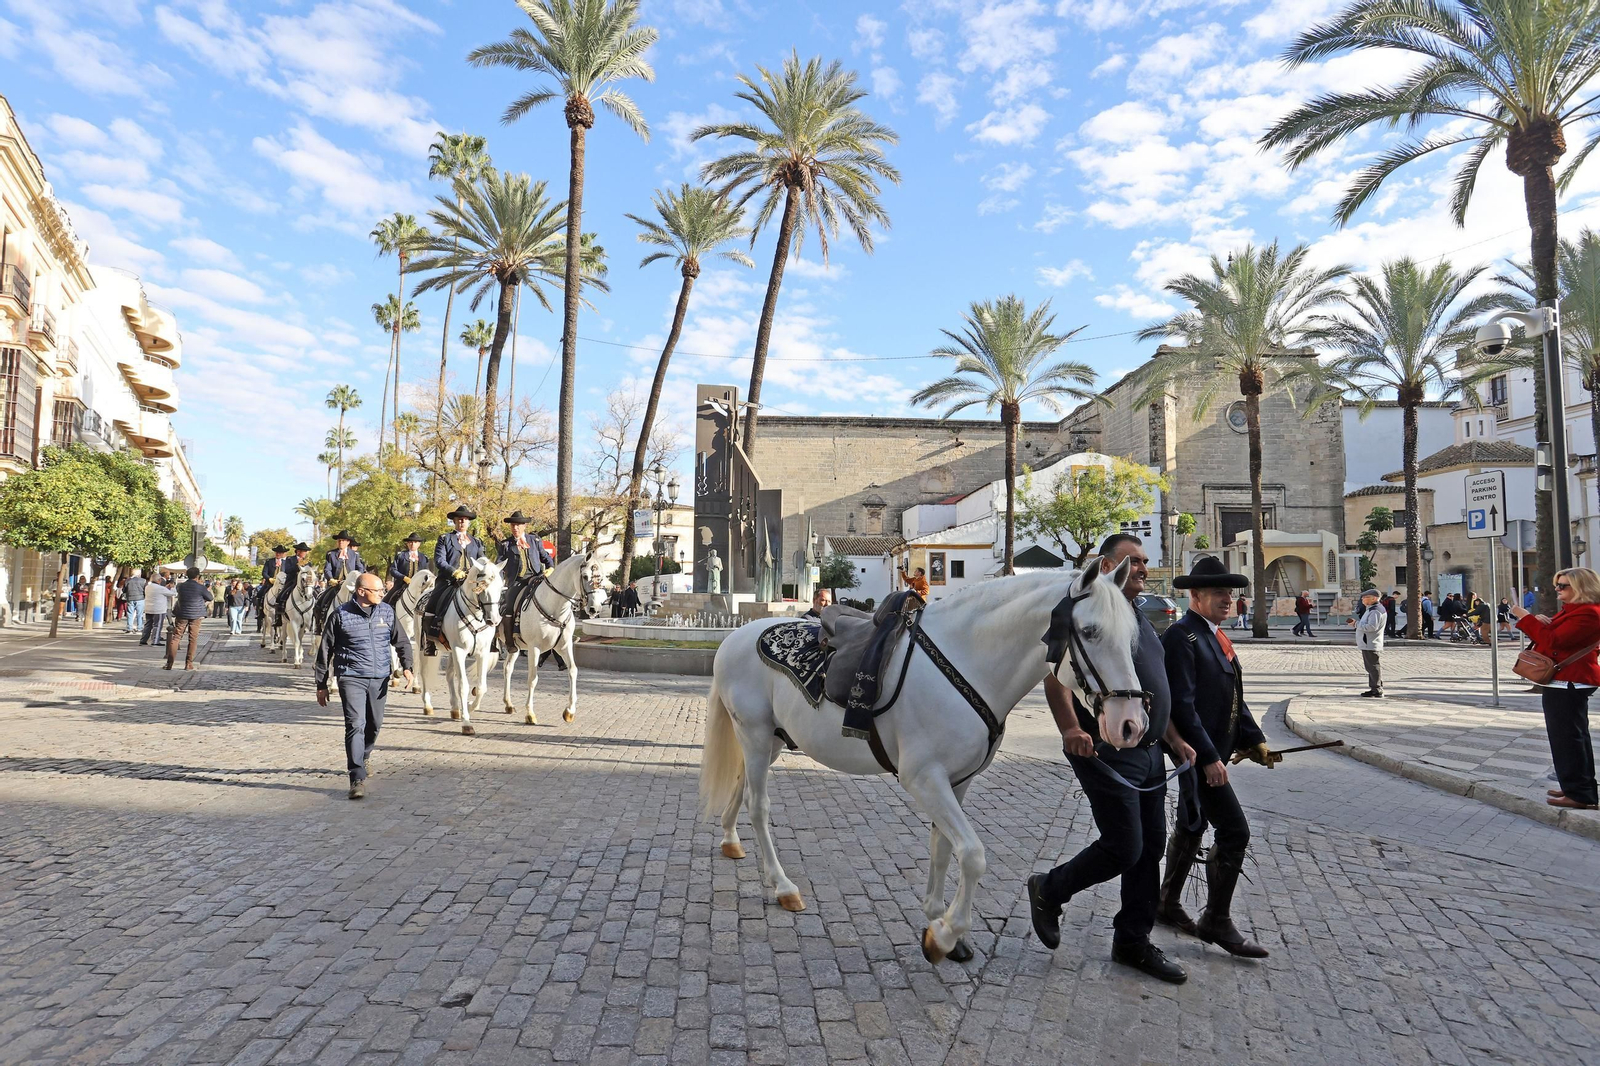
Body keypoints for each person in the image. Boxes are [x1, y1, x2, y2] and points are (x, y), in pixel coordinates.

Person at [1027, 533, 1195, 985]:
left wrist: (1174, 738)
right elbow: (1055, 678)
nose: (1142, 567)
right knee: (1125, 846)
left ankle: (1132, 942)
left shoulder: (1137, 616)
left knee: (1150, 849)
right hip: (1104, 748)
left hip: (1149, 749)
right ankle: (1049, 888)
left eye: (1143, 561)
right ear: (1108, 566)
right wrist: (1070, 729)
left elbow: (1152, 689)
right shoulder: (1084, 611)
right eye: (1133, 561)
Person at [1158, 555, 1279, 959]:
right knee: (1235, 831)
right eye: (1218, 593)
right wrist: (1210, 758)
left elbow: (1233, 699)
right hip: (1196, 756)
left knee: (1192, 825)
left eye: (1230, 593)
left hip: (1213, 754)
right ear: (1195, 595)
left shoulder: (1215, 636)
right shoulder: (1182, 637)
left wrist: (1255, 740)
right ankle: (1217, 919)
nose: (1228, 600)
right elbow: (1182, 707)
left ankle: (1167, 901)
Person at [314, 572, 414, 800]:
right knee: (355, 724)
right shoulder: (340, 615)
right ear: (361, 592)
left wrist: (407, 666)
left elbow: (401, 641)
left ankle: (365, 752)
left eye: (382, 590)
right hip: (351, 676)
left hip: (379, 677)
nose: (383, 593)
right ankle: (356, 776)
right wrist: (321, 683)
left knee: (374, 724)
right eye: (378, 590)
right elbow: (325, 651)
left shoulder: (387, 611)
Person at [1511, 569, 1600, 810]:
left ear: (1582, 587)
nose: (1558, 589)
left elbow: (1554, 642)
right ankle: (1575, 786)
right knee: (1571, 737)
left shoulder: (1589, 613)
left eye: (1564, 586)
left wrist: (1525, 617)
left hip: (1570, 681)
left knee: (1568, 738)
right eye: (1557, 585)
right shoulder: (1574, 611)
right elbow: (1554, 636)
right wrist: (1539, 621)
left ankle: (1580, 794)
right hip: (1564, 681)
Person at [425, 506, 486, 653]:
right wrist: (454, 571)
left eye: (464, 520)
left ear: (468, 522)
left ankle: (491, 638)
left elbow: (482, 560)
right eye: (459, 519)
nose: (462, 522)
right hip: (449, 581)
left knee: (489, 602)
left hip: (471, 582)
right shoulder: (445, 538)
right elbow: (440, 560)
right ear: (454, 521)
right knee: (432, 603)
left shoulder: (476, 541)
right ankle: (430, 640)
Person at [495, 511, 553, 642]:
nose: (515, 528)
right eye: (512, 525)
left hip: (537, 579)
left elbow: (546, 557)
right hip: (517, 581)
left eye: (518, 525)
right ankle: (510, 639)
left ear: (524, 526)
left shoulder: (535, 540)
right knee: (509, 603)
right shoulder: (506, 545)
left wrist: (550, 568)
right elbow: (499, 564)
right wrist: (499, 580)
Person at [165, 566, 212, 670]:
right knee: (193, 639)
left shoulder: (180, 586)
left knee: (176, 637)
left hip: (182, 614)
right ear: (197, 576)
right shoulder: (200, 587)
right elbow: (210, 597)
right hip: (196, 615)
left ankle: (169, 663)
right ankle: (188, 664)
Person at [1348, 587, 1385, 697]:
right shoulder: (1372, 609)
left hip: (1370, 642)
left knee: (1373, 666)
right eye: (1363, 598)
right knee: (1371, 667)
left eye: (1365, 597)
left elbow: (1372, 627)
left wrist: (1355, 624)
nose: (1363, 600)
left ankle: (1377, 689)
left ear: (1374, 598)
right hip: (1368, 642)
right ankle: (1375, 687)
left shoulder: (1375, 611)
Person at [385, 532, 432, 606]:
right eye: (410, 542)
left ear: (419, 544)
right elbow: (393, 570)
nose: (413, 544)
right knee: (387, 600)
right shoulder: (400, 555)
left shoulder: (424, 557)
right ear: (407, 543)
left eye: (415, 542)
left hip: (419, 586)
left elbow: (426, 572)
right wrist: (404, 578)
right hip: (401, 584)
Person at [275, 543, 312, 628]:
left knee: (316, 595)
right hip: (292, 582)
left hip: (304, 584)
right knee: (280, 596)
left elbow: (310, 572)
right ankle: (278, 618)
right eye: (304, 551)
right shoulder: (289, 559)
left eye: (306, 551)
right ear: (298, 551)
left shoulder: (308, 561)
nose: (305, 553)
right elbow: (287, 570)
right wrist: (298, 565)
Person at [142, 575, 174, 647]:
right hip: (158, 609)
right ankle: (155, 641)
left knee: (148, 625)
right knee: (158, 625)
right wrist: (171, 588)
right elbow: (172, 593)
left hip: (148, 608)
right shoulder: (161, 588)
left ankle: (143, 640)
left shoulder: (148, 587)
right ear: (159, 580)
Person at [120, 568, 147, 636]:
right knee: (140, 614)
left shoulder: (127, 581)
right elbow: (145, 590)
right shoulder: (143, 581)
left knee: (130, 613)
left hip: (130, 598)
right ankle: (139, 627)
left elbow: (124, 590)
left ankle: (129, 627)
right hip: (140, 598)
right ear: (138, 573)